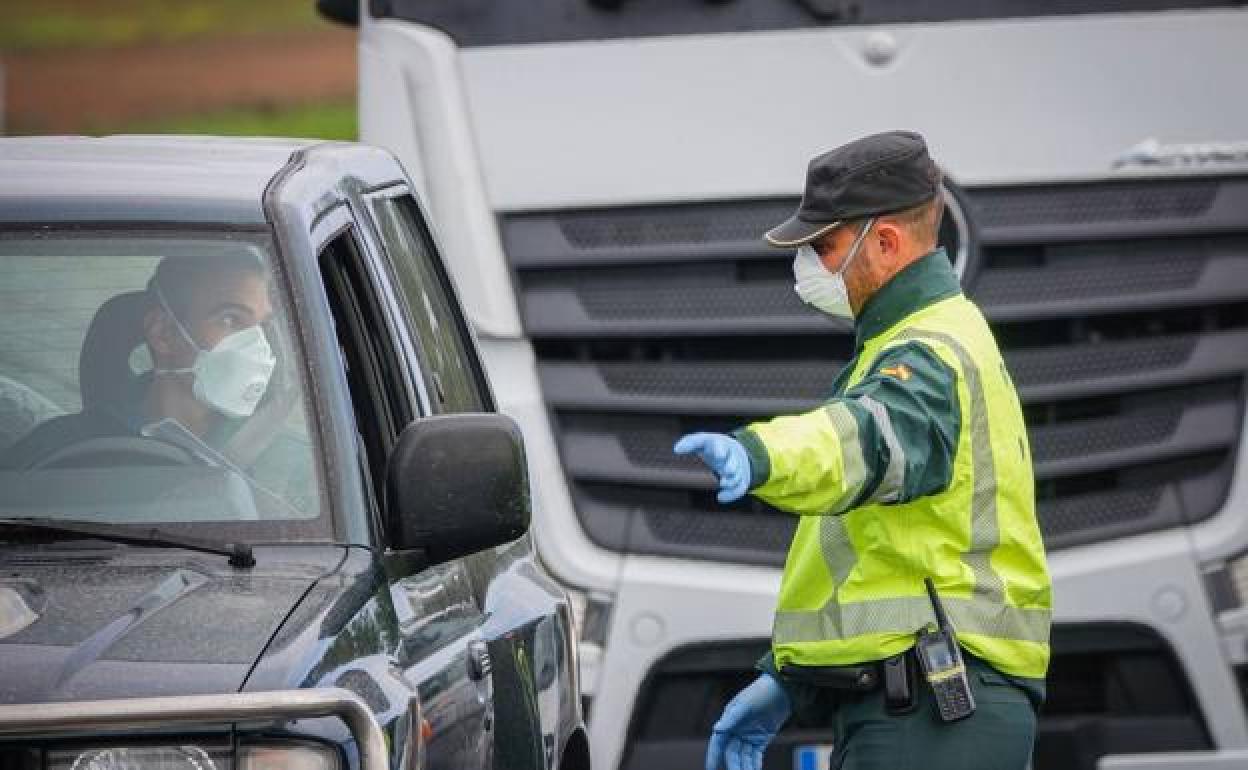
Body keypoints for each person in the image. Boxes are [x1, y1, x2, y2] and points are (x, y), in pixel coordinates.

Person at [674, 131, 1051, 770]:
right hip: (927, 702)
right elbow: (882, 550)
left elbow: (861, 443)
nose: (814, 268)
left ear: (884, 242)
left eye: (825, 247)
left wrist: (759, 454)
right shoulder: (924, 339)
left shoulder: (926, 355)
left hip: (937, 708)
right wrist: (787, 679)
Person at [3, 252, 277, 467]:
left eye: (263, 326)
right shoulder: (54, 450)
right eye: (231, 319)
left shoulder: (290, 462)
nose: (258, 345)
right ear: (163, 333)